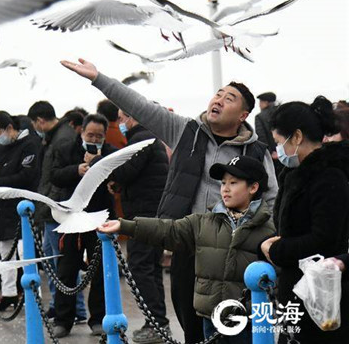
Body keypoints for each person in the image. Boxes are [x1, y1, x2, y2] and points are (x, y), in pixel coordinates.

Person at [60, 58, 278, 342]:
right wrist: (99, 78)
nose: (220, 100)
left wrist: (265, 239)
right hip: (189, 246)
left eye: (230, 98)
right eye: (219, 94)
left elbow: (270, 199)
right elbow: (141, 107)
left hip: (236, 253)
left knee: (233, 329)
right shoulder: (186, 131)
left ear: (243, 115)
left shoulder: (256, 152)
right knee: (191, 324)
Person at [100, 155, 275, 344]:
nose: (225, 188)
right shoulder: (203, 222)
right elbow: (167, 230)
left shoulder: (269, 230)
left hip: (247, 320)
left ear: (253, 187)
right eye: (223, 182)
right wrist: (124, 226)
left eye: (233, 183)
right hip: (211, 317)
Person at [259, 96, 349, 343]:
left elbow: (323, 240)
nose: (278, 150)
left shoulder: (329, 177)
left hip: (321, 293)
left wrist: (276, 249)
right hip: (295, 289)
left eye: (279, 142)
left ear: (296, 137)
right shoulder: (294, 172)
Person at [49, 113, 117, 338]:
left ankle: (98, 318)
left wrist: (99, 166)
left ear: (105, 137)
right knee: (67, 270)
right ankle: (63, 320)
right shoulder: (66, 149)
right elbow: (54, 175)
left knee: (98, 271)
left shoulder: (110, 152)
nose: (94, 139)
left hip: (100, 217)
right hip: (73, 219)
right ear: (82, 132)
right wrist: (77, 169)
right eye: (90, 135)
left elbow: (119, 177)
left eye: (99, 136)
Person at [109, 109, 170, 344]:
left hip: (143, 216)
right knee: (151, 267)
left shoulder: (140, 138)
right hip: (153, 212)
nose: (120, 122)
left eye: (122, 117)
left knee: (141, 266)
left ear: (133, 117)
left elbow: (126, 171)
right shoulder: (150, 137)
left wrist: (99, 165)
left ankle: (156, 323)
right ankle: (158, 322)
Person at [27, 101, 87, 323]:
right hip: (51, 208)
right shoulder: (58, 136)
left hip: (56, 208)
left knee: (61, 262)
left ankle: (73, 310)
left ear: (40, 121)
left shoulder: (61, 138)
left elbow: (57, 177)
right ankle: (60, 305)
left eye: (35, 123)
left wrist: (51, 206)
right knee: (53, 260)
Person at [0, 111, 41, 311]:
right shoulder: (0, 144)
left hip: (24, 204)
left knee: (24, 250)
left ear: (9, 128)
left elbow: (27, 176)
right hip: (3, 206)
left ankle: (32, 292)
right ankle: (9, 292)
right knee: (5, 251)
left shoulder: (30, 144)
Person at [254, 92, 282, 174]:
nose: (259, 105)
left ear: (266, 102)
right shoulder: (282, 113)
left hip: (272, 156)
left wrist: (269, 152)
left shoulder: (260, 117)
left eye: (260, 102)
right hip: (286, 153)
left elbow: (261, 137)